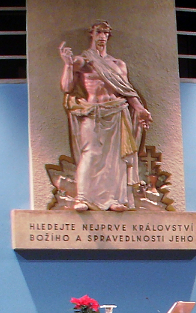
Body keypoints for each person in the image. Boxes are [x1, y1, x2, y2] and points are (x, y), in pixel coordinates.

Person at [56, 20, 152, 211]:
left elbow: (127, 91)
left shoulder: (118, 64)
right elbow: (67, 87)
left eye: (106, 33)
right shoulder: (83, 61)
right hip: (92, 112)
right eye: (99, 32)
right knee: (90, 153)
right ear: (91, 34)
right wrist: (67, 65)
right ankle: (82, 198)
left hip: (116, 112)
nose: (102, 36)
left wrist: (140, 109)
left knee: (115, 159)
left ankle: (114, 199)